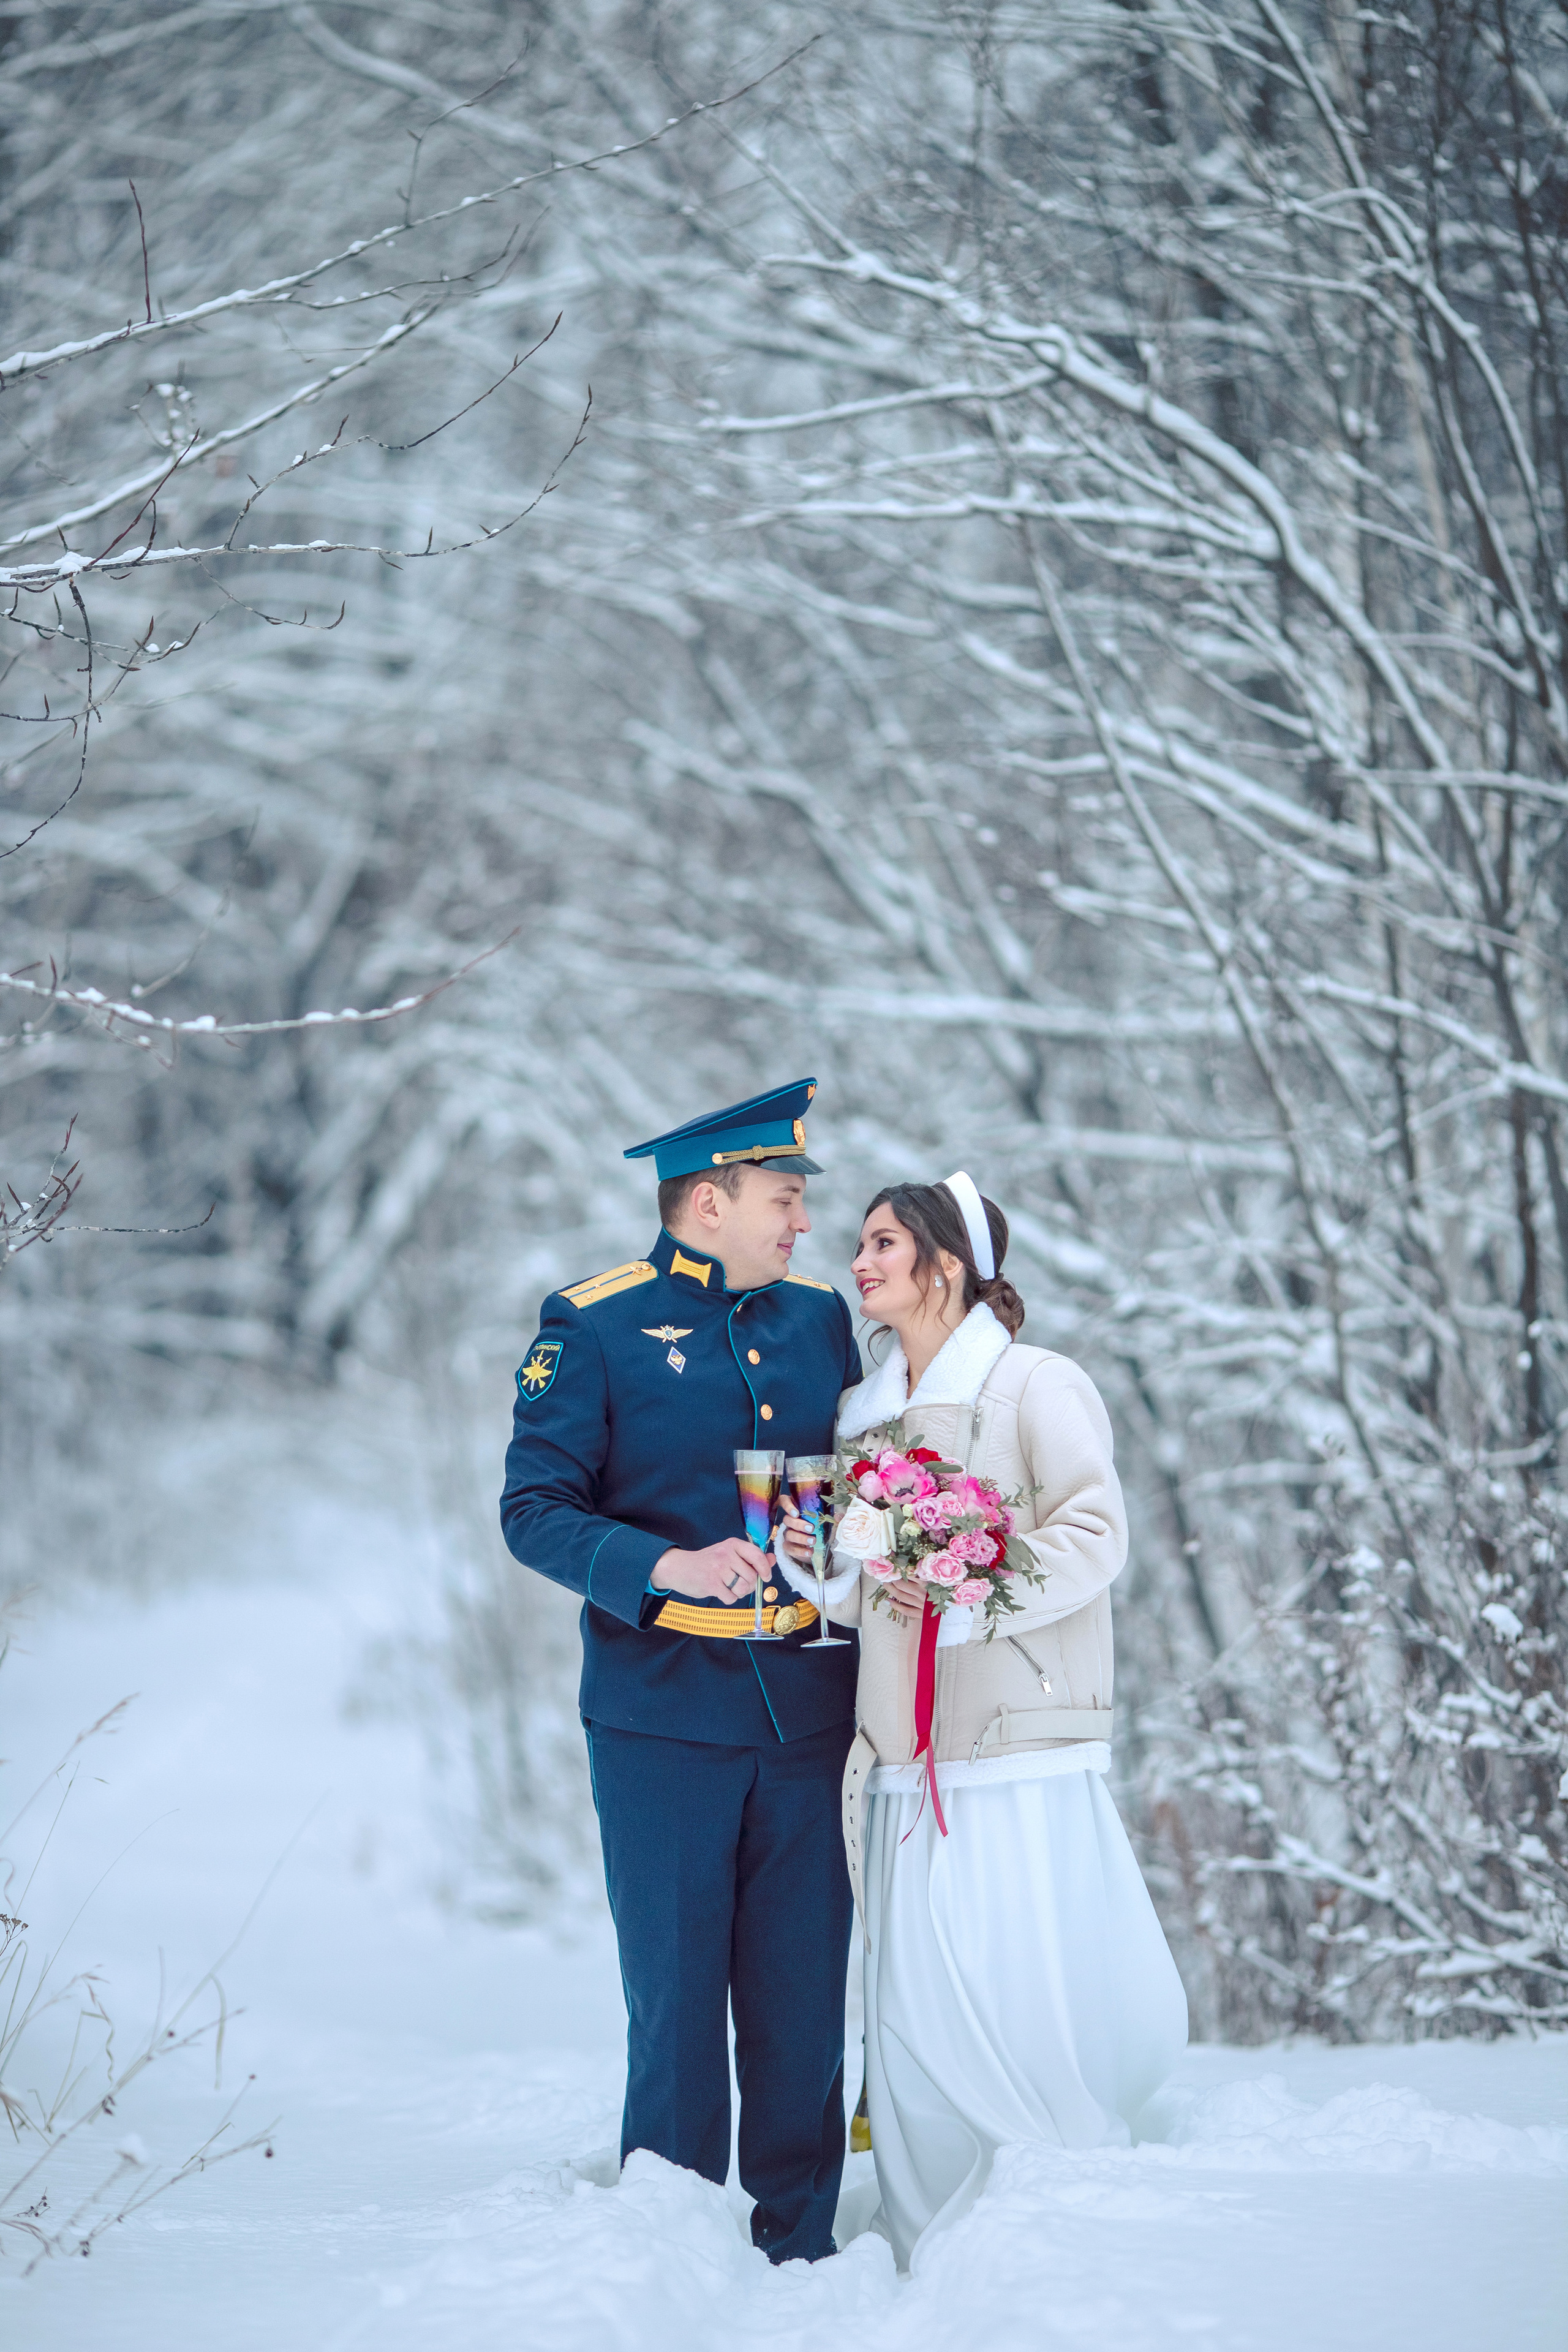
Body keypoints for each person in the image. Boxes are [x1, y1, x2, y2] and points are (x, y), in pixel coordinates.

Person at [777, 1172, 1187, 2272]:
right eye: (858, 1245)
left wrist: (972, 1582)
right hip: (904, 1754)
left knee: (1008, 1992)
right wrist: (823, 1570)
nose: (858, 1264)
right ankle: (927, 2252)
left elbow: (1096, 1535)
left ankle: (1050, 2232)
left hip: (1015, 1744)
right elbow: (868, 1588)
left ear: (945, 1264)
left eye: (881, 1244)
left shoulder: (1036, 1384)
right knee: (914, 2007)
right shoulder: (861, 1418)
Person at [499, 1078, 863, 2264]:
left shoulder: (817, 1321)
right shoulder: (593, 1324)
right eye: (782, 1197)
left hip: (811, 1709)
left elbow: (862, 1479)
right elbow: (532, 1512)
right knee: (674, 2001)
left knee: (803, 1997)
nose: (802, 1222)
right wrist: (661, 1565)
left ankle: (796, 2237)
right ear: (707, 1201)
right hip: (659, 1718)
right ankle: (667, 2240)